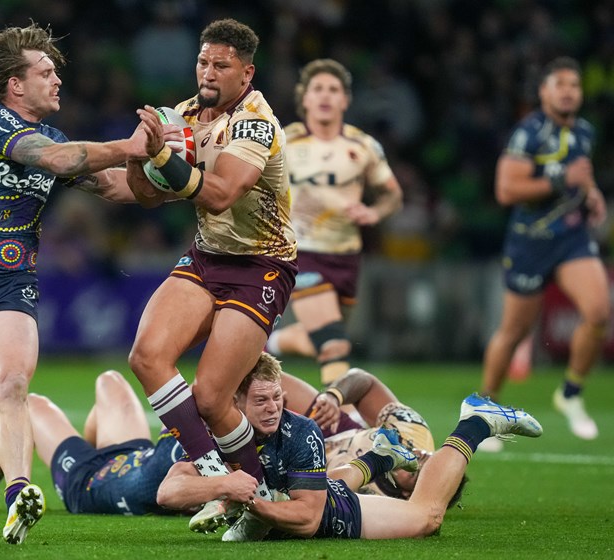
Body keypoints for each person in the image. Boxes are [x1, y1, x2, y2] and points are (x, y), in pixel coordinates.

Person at [0, 22, 164, 545]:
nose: (57, 80)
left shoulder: (53, 138)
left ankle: (18, 495)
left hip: (12, 283)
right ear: (15, 84)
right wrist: (128, 143)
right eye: (45, 72)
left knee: (11, 387)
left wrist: (174, 172)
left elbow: (119, 189)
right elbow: (60, 160)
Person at [123, 18, 297, 533]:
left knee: (212, 397)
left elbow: (221, 194)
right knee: (147, 355)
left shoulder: (256, 122)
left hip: (262, 264)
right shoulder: (183, 115)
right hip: (206, 257)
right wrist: (141, 154)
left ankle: (262, 498)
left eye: (221, 65)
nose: (208, 71)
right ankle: (217, 476)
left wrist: (160, 154)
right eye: (203, 61)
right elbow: (148, 196)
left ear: (246, 73)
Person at [157, 353, 543, 542]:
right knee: (314, 479)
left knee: (426, 519)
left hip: (336, 511)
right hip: (324, 480)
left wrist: (254, 504)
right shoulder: (226, 437)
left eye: (277, 397)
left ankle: (476, 422)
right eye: (261, 400)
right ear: (236, 403)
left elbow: (309, 519)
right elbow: (169, 490)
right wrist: (222, 487)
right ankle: (381, 457)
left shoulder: (301, 431)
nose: (273, 408)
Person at [0, 367, 414, 517]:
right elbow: (359, 384)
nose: (275, 406)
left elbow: (173, 491)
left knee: (32, 407)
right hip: (144, 454)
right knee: (111, 381)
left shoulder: (326, 470)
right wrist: (334, 395)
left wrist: (224, 489)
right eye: (265, 399)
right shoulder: (323, 427)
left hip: (100, 483)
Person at [479, 56, 608, 451]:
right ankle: (484, 411)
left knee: (599, 311)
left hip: (571, 238)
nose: (569, 91)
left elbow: (579, 177)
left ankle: (569, 393)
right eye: (561, 84)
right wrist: (560, 178)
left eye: (575, 85)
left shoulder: (584, 131)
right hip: (530, 242)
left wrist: (592, 193)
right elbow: (506, 190)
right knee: (515, 330)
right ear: (545, 91)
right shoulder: (528, 133)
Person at [265, 59, 403, 386]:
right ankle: (340, 418)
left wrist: (375, 213)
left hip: (346, 254)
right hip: (299, 252)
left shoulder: (363, 146)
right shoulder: (284, 141)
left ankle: (273, 342)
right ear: (305, 99)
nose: (326, 96)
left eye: (334, 90)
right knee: (334, 343)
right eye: (318, 89)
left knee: (324, 340)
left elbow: (392, 195)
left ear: (345, 100)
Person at [279, 367, 443, 501]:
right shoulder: (413, 433)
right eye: (423, 456)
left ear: (409, 495)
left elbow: (313, 500)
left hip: (301, 472)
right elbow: (366, 382)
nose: (412, 458)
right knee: (265, 376)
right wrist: (334, 396)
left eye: (414, 471)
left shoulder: (380, 504)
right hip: (332, 428)